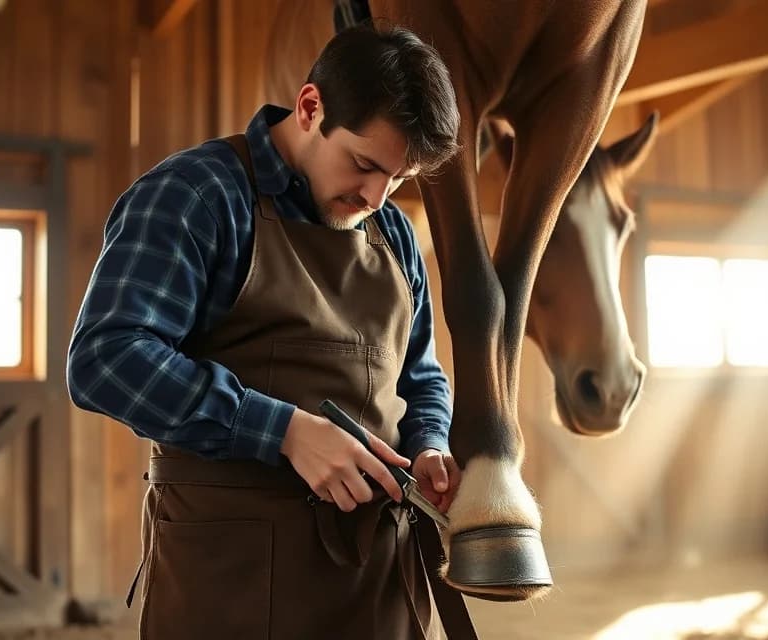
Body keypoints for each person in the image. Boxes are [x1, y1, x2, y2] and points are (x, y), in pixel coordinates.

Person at [67, 24, 473, 640]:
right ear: (311, 108)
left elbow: (418, 374)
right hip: (231, 584)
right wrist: (281, 431)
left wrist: (429, 443)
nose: (376, 195)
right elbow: (106, 359)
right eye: (364, 165)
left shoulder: (392, 233)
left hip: (380, 585)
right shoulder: (197, 195)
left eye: (399, 178)